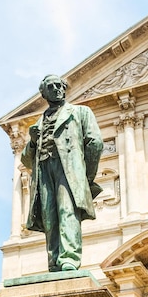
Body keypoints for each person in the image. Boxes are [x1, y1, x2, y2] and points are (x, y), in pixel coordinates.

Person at [21, 74, 103, 272]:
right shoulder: (38, 122)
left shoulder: (80, 112)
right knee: (49, 216)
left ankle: (69, 258)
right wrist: (32, 141)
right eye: (52, 86)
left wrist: (85, 177)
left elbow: (95, 143)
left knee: (67, 211)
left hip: (68, 169)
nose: (58, 89)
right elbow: (25, 159)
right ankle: (54, 260)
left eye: (61, 85)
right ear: (43, 92)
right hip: (44, 169)